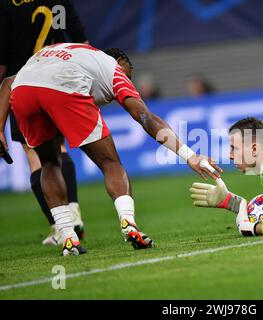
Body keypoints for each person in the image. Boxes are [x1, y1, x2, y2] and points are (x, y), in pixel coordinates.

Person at [1, 43, 221, 256]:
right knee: (110, 163)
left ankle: (68, 237)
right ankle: (129, 224)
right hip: (64, 85)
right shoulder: (113, 69)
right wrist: (189, 155)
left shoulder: (72, 53)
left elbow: (9, 81)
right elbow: (145, 117)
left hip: (23, 91)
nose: (128, 83)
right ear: (119, 62)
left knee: (48, 162)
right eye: (128, 76)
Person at [0, 0, 89, 245]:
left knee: (35, 154)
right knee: (59, 147)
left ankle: (60, 227)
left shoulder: (8, 4)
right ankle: (73, 211)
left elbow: (4, 60)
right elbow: (81, 41)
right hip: (60, 79)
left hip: (24, 84)